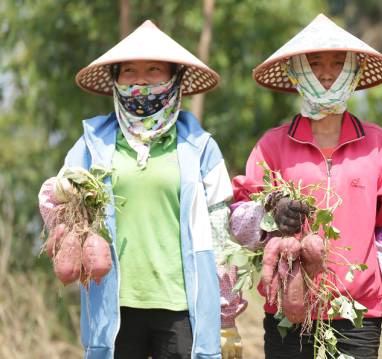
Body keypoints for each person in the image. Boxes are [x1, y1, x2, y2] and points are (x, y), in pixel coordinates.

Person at [37, 20, 245, 359]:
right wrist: (63, 209)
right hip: (114, 305)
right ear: (115, 80)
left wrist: (225, 308)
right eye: (129, 71)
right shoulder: (94, 144)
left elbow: (221, 228)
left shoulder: (199, 146)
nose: (141, 80)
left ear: (174, 78)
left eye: (153, 70)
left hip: (181, 305)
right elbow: (55, 194)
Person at [229, 14, 382, 359]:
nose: (327, 74)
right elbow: (239, 220)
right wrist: (270, 210)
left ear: (355, 71)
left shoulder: (376, 144)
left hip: (357, 312)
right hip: (290, 306)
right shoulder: (273, 145)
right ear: (296, 73)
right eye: (314, 65)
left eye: (337, 64)